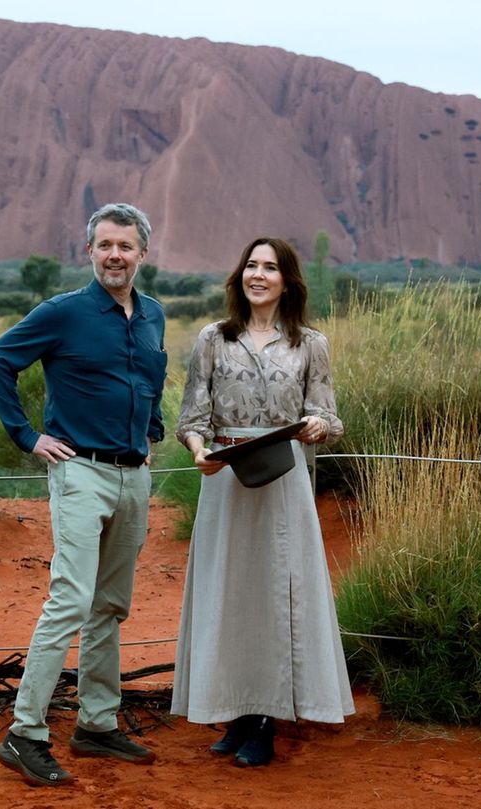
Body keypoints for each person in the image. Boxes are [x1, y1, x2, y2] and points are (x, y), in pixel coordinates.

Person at [0, 202, 168, 787]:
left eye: (126, 246)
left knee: (111, 604)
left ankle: (96, 723)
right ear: (89, 252)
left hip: (133, 476)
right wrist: (27, 436)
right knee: (69, 600)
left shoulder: (154, 315)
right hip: (80, 471)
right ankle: (25, 732)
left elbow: (149, 379)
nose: (116, 255)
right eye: (105, 245)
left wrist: (153, 429)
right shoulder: (63, 313)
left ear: (143, 253)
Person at [171, 236, 355, 767]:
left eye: (270, 267)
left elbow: (329, 415)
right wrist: (199, 450)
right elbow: (192, 417)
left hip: (283, 477)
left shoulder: (309, 344)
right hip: (226, 476)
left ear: (286, 280)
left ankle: (263, 724)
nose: (258, 274)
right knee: (228, 595)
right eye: (251, 265)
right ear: (239, 277)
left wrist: (319, 425)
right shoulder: (212, 338)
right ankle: (235, 713)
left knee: (276, 598)